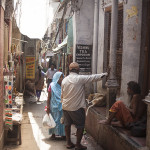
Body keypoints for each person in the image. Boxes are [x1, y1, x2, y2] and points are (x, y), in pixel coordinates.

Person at [61, 62, 108, 150]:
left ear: (69, 69)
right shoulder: (79, 78)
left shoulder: (64, 80)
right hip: (76, 107)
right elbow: (93, 77)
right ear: (78, 70)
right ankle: (78, 145)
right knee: (80, 126)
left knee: (67, 125)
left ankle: (68, 143)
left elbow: (62, 94)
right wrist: (105, 74)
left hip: (65, 106)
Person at [46, 72, 65, 140]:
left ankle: (63, 134)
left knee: (62, 120)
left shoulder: (64, 85)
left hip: (62, 106)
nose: (61, 78)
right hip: (53, 106)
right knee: (53, 120)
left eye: (62, 77)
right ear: (56, 77)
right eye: (60, 77)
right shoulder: (52, 85)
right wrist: (48, 106)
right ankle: (53, 134)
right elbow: (49, 97)